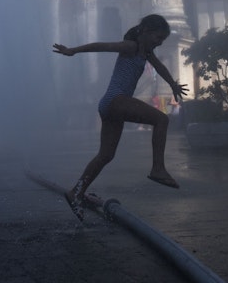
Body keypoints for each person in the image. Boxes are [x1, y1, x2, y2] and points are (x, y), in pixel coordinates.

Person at [53, 14, 188, 221]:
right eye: (157, 37)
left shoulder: (146, 52)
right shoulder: (130, 46)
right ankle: (158, 168)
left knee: (106, 155)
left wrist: (172, 84)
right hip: (117, 99)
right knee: (162, 119)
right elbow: (102, 46)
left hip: (109, 105)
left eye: (162, 39)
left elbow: (160, 67)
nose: (159, 42)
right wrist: (74, 50)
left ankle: (76, 192)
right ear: (144, 31)